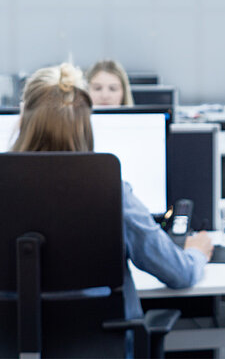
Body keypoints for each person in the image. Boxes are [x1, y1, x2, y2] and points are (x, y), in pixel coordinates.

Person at [12, 63, 212, 318]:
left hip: (6, 346)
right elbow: (179, 273)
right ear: (86, 127)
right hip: (103, 344)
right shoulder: (110, 192)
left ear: (23, 121)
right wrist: (196, 251)